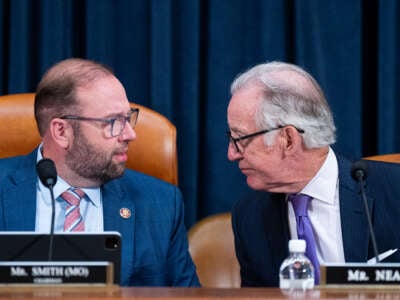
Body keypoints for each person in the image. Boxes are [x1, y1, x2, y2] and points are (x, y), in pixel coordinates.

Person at [0, 58, 200, 287]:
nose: (129, 135)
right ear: (61, 131)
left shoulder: (161, 204)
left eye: (128, 118)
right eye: (112, 121)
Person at [226, 61, 400, 286]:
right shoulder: (249, 216)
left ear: (288, 139)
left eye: (239, 138)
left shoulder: (395, 190)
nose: (232, 154)